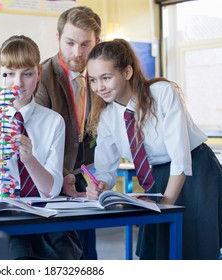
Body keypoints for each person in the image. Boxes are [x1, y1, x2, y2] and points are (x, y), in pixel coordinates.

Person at [85, 38, 222, 259]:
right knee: (156, 253)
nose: (99, 87)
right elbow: (106, 170)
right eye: (93, 80)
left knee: (193, 252)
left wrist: (166, 205)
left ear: (127, 72)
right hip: (158, 177)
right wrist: (99, 185)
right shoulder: (107, 116)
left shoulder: (162, 93)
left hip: (195, 172)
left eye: (106, 78)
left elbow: (180, 157)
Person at [0, 35, 82, 259]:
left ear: (38, 72)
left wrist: (30, 159)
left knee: (66, 251)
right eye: (9, 74)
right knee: (17, 253)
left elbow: (51, 190)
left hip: (42, 211)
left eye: (27, 74)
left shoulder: (52, 121)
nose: (17, 83)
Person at [35, 6, 102, 259]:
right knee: (61, 256)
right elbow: (38, 138)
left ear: (98, 42)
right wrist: (62, 175)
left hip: (87, 181)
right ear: (58, 38)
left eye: (86, 44)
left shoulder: (100, 76)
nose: (77, 52)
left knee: (87, 255)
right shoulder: (42, 77)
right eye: (70, 42)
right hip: (53, 179)